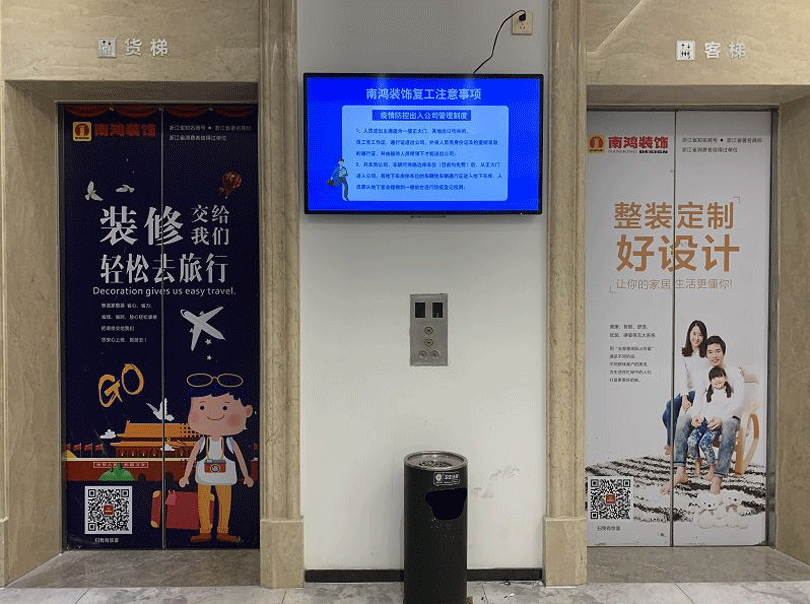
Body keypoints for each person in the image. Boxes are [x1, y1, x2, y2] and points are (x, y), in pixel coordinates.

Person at [662, 335, 745, 495]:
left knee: (728, 425)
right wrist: (695, 415)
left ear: (723, 352)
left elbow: (738, 402)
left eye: (718, 351)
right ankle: (680, 472)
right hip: (707, 418)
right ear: (706, 354)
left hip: (729, 417)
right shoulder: (703, 374)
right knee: (683, 419)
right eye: (710, 352)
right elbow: (698, 400)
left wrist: (722, 418)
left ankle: (718, 478)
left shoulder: (735, 372)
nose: (714, 355)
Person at [179, 373, 255, 543]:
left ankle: (223, 531)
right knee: (203, 503)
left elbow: (240, 459)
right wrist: (185, 476)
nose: (214, 414)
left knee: (225, 503)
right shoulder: (201, 442)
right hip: (204, 477)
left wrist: (247, 475)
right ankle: (204, 530)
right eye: (202, 408)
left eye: (225, 408)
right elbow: (192, 459)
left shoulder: (230, 442)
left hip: (225, 477)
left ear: (246, 411)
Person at [662, 320, 711, 455]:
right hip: (687, 392)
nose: (696, 338)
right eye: (694, 334)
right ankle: (681, 442)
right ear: (689, 334)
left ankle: (672, 445)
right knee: (666, 415)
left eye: (700, 335)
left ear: (704, 336)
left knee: (670, 405)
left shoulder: (707, 353)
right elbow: (682, 376)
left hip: (700, 392)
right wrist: (684, 397)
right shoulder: (684, 353)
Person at [686, 366, 735, 482]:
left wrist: (720, 420)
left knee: (704, 443)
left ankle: (712, 467)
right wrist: (699, 418)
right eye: (713, 378)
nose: (717, 380)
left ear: (725, 378)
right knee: (691, 441)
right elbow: (703, 410)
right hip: (704, 423)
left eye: (719, 376)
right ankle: (697, 461)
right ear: (710, 381)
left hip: (715, 426)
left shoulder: (730, 396)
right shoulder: (707, 394)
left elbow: (729, 413)